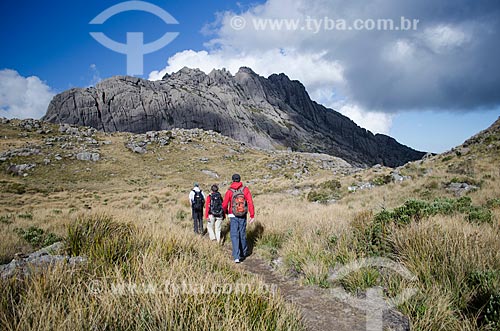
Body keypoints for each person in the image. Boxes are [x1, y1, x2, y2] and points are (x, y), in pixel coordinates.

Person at [222, 174, 255, 263]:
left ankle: (236, 256)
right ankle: (243, 253)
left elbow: (225, 204)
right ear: (240, 180)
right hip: (243, 214)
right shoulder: (245, 189)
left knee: (234, 235)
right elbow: (250, 202)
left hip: (233, 215)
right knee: (242, 233)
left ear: (232, 180)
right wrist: (252, 215)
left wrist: (224, 213)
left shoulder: (229, 191)